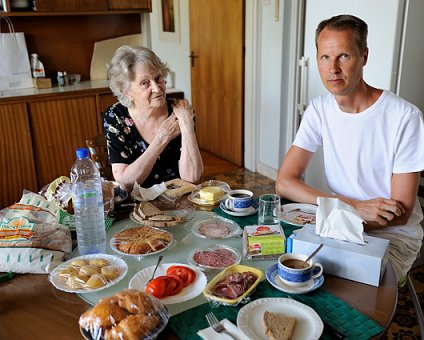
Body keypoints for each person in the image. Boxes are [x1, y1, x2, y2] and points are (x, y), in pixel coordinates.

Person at [276, 14, 424, 283]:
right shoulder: (319, 109)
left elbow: (399, 216)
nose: (333, 68)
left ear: (364, 56)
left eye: (344, 56)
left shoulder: (405, 117)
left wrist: (343, 213)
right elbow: (285, 183)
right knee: (286, 267)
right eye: (324, 57)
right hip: (338, 222)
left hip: (390, 235)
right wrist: (352, 207)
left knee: (338, 288)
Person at [103, 45, 204, 192]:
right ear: (126, 92)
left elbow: (192, 178)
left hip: (177, 199)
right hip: (136, 206)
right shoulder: (115, 117)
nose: (157, 88)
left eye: (158, 78)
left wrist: (187, 123)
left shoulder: (180, 111)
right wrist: (162, 138)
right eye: (145, 83)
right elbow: (126, 184)